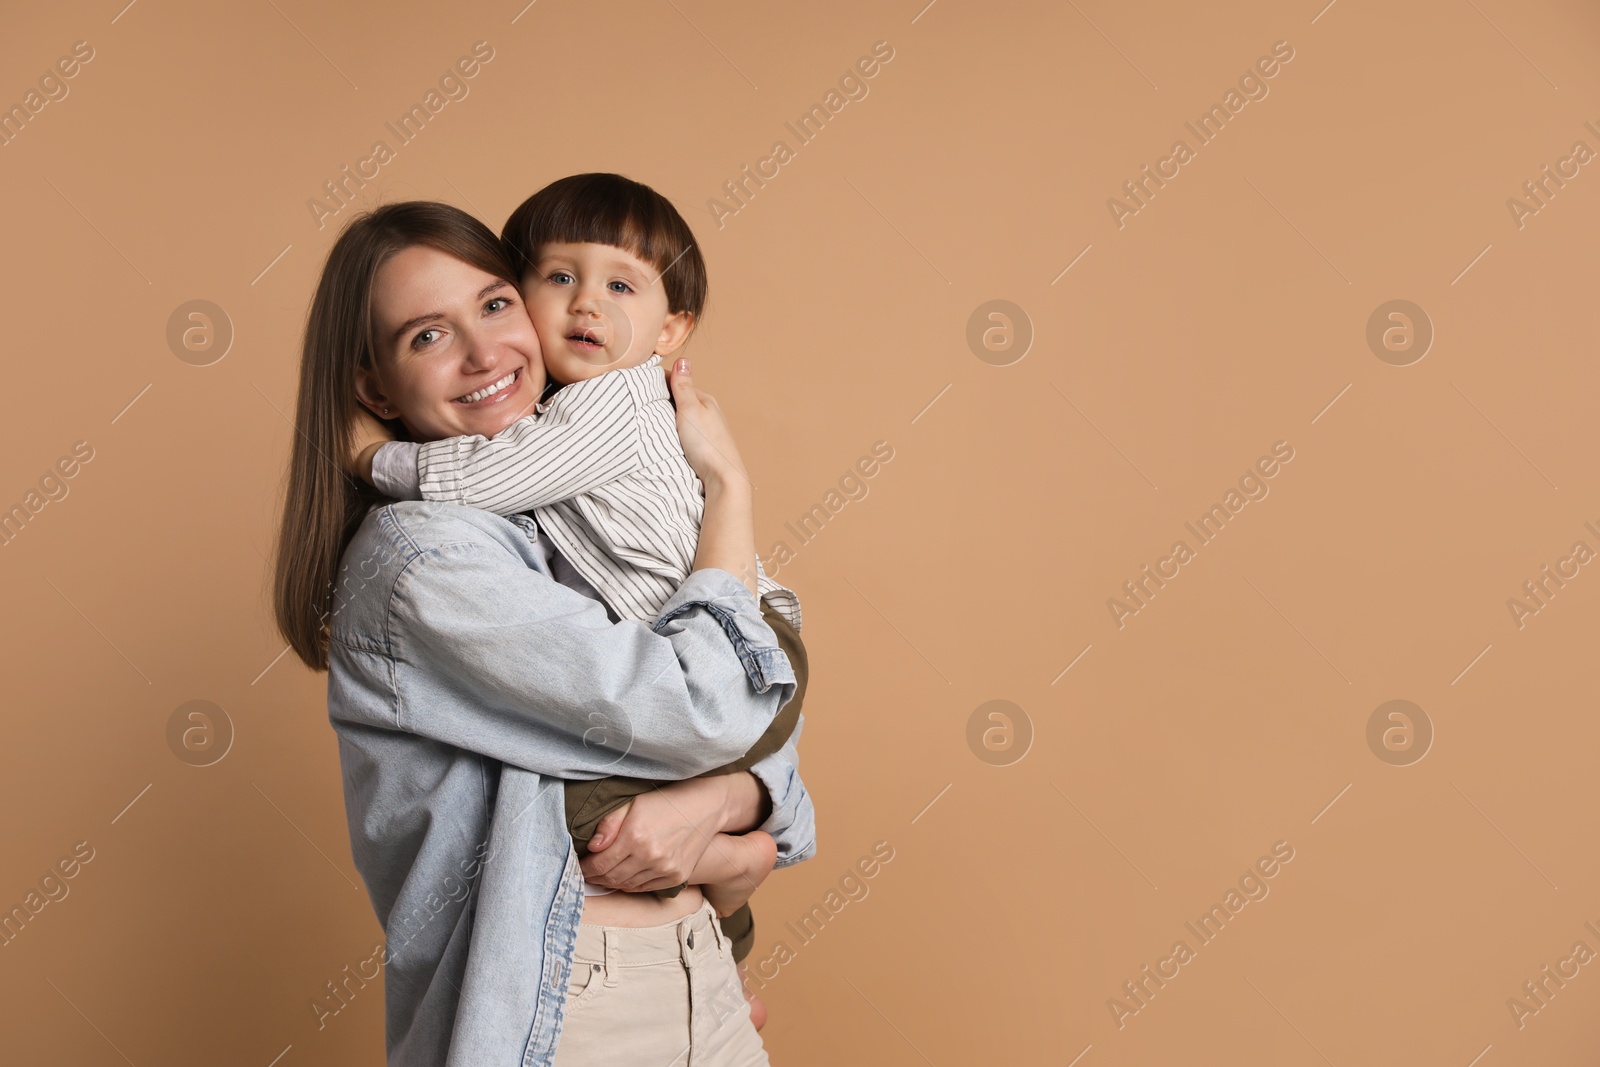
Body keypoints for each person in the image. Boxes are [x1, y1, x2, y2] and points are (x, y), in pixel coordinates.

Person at [271, 200, 814, 1065]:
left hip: (694, 974)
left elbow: (760, 730)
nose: (487, 353)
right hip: (570, 1000)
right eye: (426, 336)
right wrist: (733, 495)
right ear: (374, 388)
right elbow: (708, 707)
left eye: (493, 305)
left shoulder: (565, 511)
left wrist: (725, 808)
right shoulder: (426, 558)